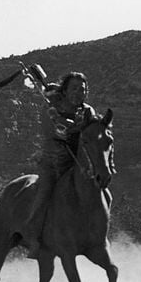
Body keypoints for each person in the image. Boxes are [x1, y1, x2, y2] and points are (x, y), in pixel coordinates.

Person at [23, 71, 98, 258]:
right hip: (53, 162)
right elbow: (53, 132)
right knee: (44, 192)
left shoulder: (88, 111)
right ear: (65, 91)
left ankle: (98, 234)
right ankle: (33, 237)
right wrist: (61, 122)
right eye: (74, 88)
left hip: (77, 163)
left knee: (100, 193)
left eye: (83, 89)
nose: (79, 92)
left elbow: (93, 132)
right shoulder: (51, 108)